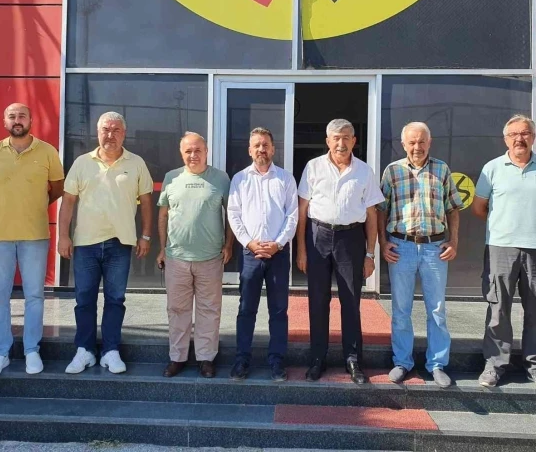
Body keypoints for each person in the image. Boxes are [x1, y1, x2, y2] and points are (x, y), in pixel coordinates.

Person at [471, 115, 536, 392]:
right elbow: (479, 208)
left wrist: (533, 225)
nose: (519, 139)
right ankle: (494, 365)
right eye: (513, 134)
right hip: (501, 247)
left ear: (533, 137)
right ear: (505, 139)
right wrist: (506, 226)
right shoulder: (492, 168)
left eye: (525, 133)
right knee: (498, 308)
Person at [58, 112, 153, 375]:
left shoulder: (136, 163)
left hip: (120, 243)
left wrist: (145, 236)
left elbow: (146, 202)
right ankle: (85, 351)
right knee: (84, 299)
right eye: (105, 130)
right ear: (97, 132)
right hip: (85, 243)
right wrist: (63, 235)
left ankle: (111, 351)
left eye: (116, 130)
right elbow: (68, 201)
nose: (110, 135)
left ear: (124, 133)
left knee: (115, 299)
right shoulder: (82, 163)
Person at [0, 103, 65, 378]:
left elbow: (57, 188)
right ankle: (0, 353)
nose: (17, 120)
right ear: (5, 121)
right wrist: (7, 207)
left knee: (34, 296)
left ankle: (31, 350)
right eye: (12, 116)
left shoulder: (48, 152)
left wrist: (34, 205)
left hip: (35, 235)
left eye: (22, 116)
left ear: (31, 120)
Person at [296, 119, 384, 385]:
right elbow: (302, 211)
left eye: (346, 137)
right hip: (318, 237)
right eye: (336, 138)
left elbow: (371, 214)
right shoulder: (313, 167)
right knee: (318, 300)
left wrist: (370, 254)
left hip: (351, 239)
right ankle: (317, 358)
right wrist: (301, 250)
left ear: (354, 141)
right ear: (328, 141)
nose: (341, 143)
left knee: (351, 300)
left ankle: (353, 359)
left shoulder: (364, 171)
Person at [378, 122, 462, 389]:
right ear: (403, 144)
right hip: (400, 246)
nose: (417, 147)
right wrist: (383, 242)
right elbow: (381, 209)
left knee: (436, 310)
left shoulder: (442, 169)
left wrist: (454, 241)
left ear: (430, 142)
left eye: (422, 141)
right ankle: (402, 362)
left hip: (434, 248)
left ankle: (436, 364)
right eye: (412, 142)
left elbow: (453, 208)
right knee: (401, 309)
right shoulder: (392, 171)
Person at [157, 132, 233, 379]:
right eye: (188, 151)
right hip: (176, 257)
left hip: (210, 258)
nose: (193, 155)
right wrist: (162, 248)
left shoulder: (221, 178)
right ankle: (177, 358)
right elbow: (163, 215)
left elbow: (231, 213)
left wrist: (228, 245)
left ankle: (206, 358)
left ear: (206, 151)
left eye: (198, 150)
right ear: (181, 153)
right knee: (177, 309)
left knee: (209, 310)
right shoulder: (171, 178)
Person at [227, 128, 298, 381]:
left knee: (278, 311)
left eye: (265, 144)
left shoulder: (286, 179)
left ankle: (277, 362)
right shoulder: (239, 179)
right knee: (246, 309)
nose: (261, 149)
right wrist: (249, 243)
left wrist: (277, 244)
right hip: (250, 253)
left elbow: (292, 216)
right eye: (256, 145)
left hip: (278, 254)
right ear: (250, 150)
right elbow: (234, 215)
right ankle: (242, 360)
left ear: (273, 149)